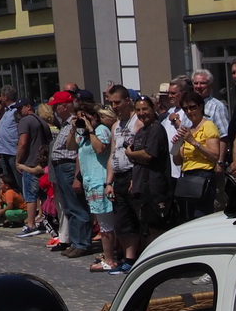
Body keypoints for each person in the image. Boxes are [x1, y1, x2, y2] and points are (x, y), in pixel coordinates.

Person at [45, 90, 94, 258]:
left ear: (65, 106)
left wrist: (76, 177)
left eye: (56, 106)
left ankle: (82, 242)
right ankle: (75, 241)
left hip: (69, 166)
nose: (54, 110)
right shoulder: (65, 125)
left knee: (77, 206)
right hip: (60, 167)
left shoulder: (75, 123)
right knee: (68, 207)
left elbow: (78, 149)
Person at [69, 100, 117, 272]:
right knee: (104, 222)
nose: (83, 120)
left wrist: (90, 129)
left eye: (86, 116)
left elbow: (100, 150)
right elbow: (70, 147)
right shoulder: (82, 135)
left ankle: (110, 260)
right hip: (91, 183)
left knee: (106, 224)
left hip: (102, 181)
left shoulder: (101, 130)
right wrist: (75, 128)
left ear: (95, 116)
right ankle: (110, 255)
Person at [123, 95, 173, 247]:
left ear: (153, 109)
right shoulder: (142, 131)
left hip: (155, 188)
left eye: (145, 109)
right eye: (138, 110)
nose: (141, 113)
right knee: (144, 227)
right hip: (141, 187)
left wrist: (130, 154)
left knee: (156, 228)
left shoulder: (156, 129)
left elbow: (148, 155)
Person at [104, 85, 143, 267]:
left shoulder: (138, 122)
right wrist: (108, 182)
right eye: (111, 103)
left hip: (133, 175)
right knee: (122, 221)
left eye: (118, 102)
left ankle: (138, 257)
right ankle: (128, 258)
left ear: (128, 101)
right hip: (118, 177)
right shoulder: (115, 126)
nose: (115, 106)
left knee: (138, 219)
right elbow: (112, 154)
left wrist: (136, 177)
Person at [171, 91, 223, 224]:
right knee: (188, 219)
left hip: (203, 176)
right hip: (187, 176)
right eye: (186, 109)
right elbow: (177, 161)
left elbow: (214, 155)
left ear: (200, 106)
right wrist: (177, 145)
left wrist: (194, 142)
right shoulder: (188, 129)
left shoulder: (208, 126)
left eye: (192, 107)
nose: (189, 112)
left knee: (201, 217)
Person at [12, 97, 49, 237]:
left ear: (28, 107)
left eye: (20, 108)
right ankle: (47, 221)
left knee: (30, 196)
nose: (18, 111)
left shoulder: (25, 121)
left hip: (30, 163)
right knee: (44, 195)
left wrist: (18, 160)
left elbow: (22, 142)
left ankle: (31, 224)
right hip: (43, 163)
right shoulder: (42, 120)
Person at [0, 86, 19, 190]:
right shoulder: (6, 111)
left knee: (17, 180)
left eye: (1, 97)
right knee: (7, 182)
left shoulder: (16, 111)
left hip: (12, 152)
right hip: (3, 152)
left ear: (5, 97)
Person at [191, 70, 230, 140]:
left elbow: (224, 135)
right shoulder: (188, 106)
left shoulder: (218, 106)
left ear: (210, 85)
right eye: (196, 83)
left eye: (202, 83)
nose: (199, 86)